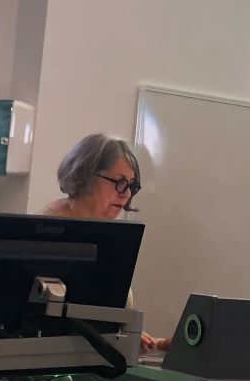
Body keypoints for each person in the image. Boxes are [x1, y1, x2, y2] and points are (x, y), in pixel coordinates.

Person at [41, 133, 167, 350]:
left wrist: (122, 334)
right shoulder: (47, 228)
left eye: (131, 186)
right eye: (119, 183)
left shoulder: (108, 234)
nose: (126, 194)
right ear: (86, 174)